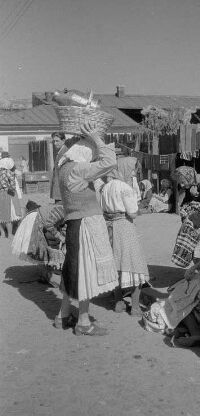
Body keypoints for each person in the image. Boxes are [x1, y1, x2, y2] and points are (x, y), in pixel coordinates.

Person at [55, 122, 119, 336]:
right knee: (86, 271)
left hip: (74, 222)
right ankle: (83, 321)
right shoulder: (79, 170)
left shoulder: (63, 167)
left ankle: (63, 315)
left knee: (72, 268)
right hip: (85, 224)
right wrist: (97, 138)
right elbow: (110, 160)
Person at [100, 157, 149, 316]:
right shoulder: (125, 187)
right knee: (134, 266)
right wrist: (141, 211)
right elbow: (132, 213)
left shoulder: (106, 187)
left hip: (109, 227)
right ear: (125, 169)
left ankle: (119, 302)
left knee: (116, 265)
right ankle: (135, 307)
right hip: (124, 227)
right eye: (132, 169)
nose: (134, 173)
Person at [12, 200, 66, 276]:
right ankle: (46, 273)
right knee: (41, 248)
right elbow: (49, 225)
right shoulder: (62, 211)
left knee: (45, 247)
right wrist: (60, 236)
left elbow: (64, 228)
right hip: (35, 220)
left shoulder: (67, 213)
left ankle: (46, 272)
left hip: (40, 220)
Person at [0, 152, 22, 238]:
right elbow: (13, 186)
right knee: (12, 213)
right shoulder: (9, 172)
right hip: (9, 193)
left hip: (1, 193)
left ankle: (4, 233)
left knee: (3, 213)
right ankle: (11, 233)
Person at [50, 132, 67, 203]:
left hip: (61, 190)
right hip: (58, 188)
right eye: (54, 141)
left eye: (57, 141)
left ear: (63, 141)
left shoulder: (66, 152)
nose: (55, 143)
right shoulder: (60, 152)